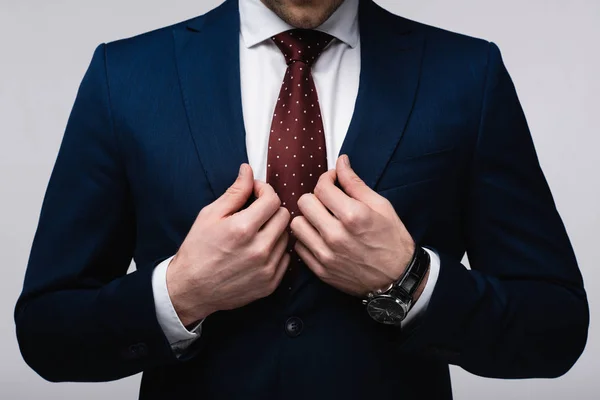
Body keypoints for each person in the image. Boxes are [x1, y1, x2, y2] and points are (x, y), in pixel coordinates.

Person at [14, 0, 589, 399]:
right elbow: (46, 332)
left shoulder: (466, 74)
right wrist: (180, 294)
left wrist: (409, 282)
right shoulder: (126, 76)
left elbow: (555, 327)